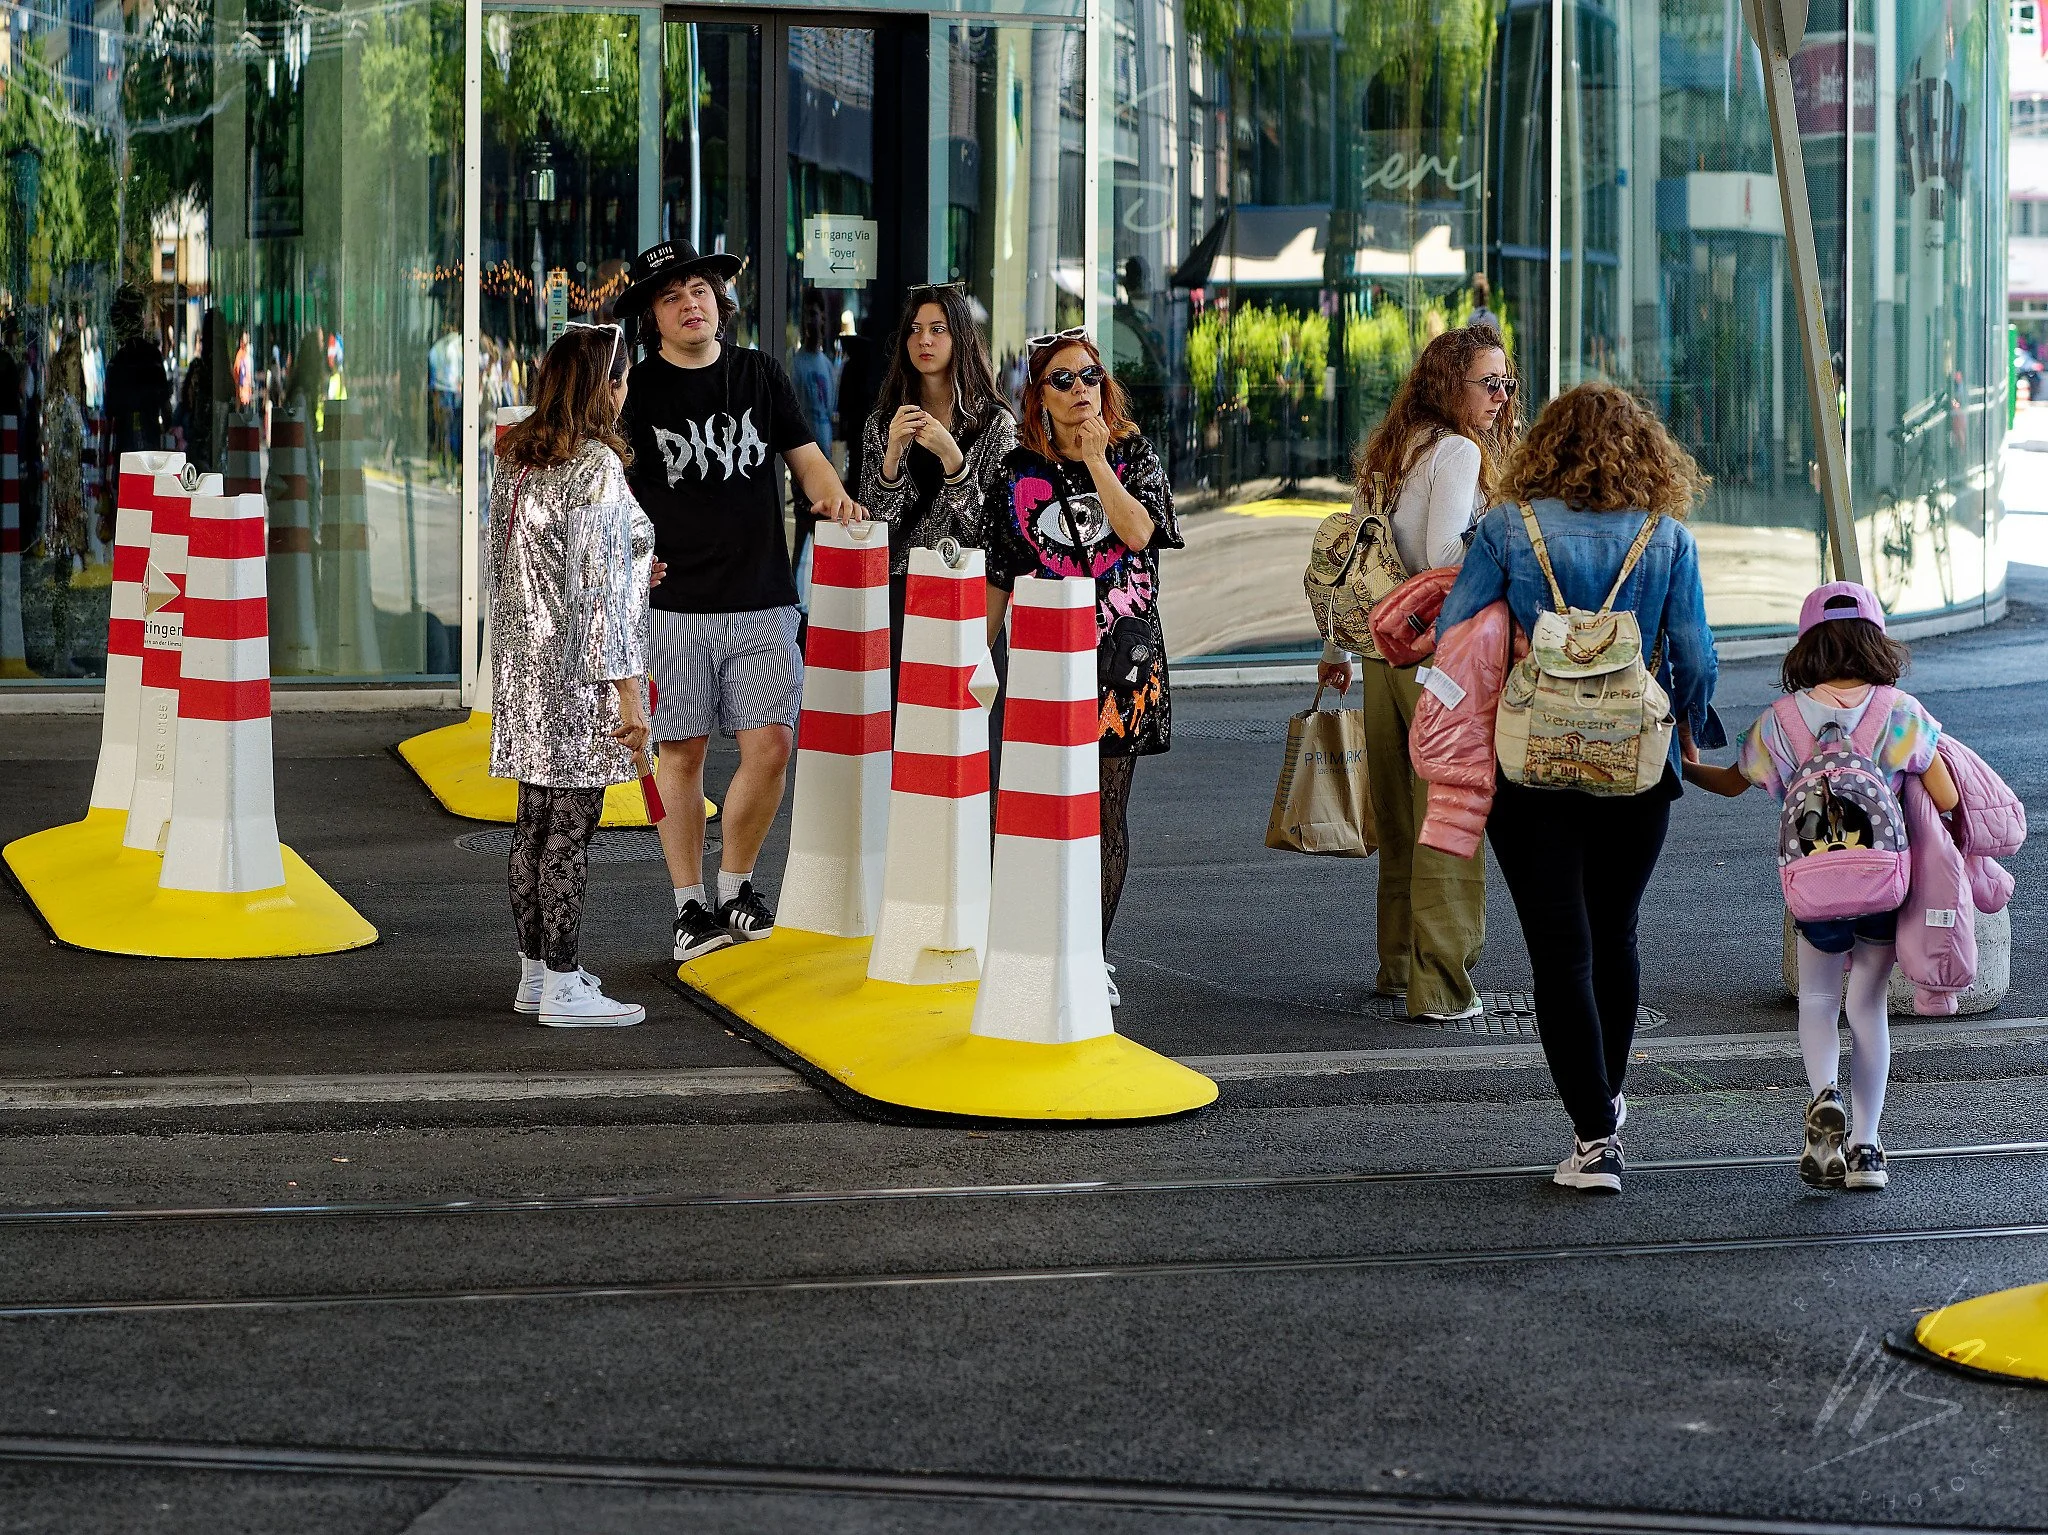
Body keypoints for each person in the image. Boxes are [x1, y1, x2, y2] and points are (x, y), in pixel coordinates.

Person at [1431, 382, 1721, 1194]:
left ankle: (1594, 1138)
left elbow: (1461, 633)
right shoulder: (1669, 539)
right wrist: (1694, 724)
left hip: (1532, 767)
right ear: (1646, 452)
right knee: (1616, 933)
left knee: (1559, 952)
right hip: (1637, 769)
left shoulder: (1503, 529)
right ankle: (1608, 1098)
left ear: (1545, 445)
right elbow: (1694, 657)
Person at [613, 239, 867, 965]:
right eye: (671, 296)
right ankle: (688, 904)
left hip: (762, 597)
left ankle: (736, 884)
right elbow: (616, 489)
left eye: (698, 289)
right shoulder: (640, 391)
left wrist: (840, 503)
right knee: (682, 754)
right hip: (675, 604)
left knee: (771, 744)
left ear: (718, 301)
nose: (690, 303)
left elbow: (810, 464)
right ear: (654, 319)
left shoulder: (758, 373)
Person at [1683, 583, 1957, 1193]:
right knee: (1867, 1006)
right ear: (1875, 640)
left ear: (1807, 642)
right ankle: (1865, 1148)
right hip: (1883, 886)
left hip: (1813, 887)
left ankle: (1823, 1092)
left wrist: (1684, 757)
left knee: (1817, 1000)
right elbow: (1948, 796)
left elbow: (1730, 784)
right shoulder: (1899, 710)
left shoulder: (1780, 721)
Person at [1317, 324, 1521, 1022]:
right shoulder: (1459, 451)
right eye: (1487, 383)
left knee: (1403, 821)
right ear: (1449, 385)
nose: (1501, 396)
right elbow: (1442, 552)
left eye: (1505, 382)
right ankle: (1442, 986)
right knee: (1450, 818)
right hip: (1439, 657)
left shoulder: (1395, 449)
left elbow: (1356, 556)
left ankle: (1398, 964)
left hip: (1381, 653)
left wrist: (1337, 651)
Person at [980, 330, 1181, 1007]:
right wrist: (977, 655)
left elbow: (1139, 534)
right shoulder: (1015, 474)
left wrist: (1099, 464)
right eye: (1061, 380)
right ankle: (1041, 946)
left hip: (1122, 664)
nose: (1079, 391)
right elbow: (1000, 579)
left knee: (1103, 810)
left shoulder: (1135, 456)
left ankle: (1091, 955)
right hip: (1042, 667)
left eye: (1089, 376)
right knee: (1037, 809)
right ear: (1037, 395)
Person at [490, 322, 657, 1027]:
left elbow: (530, 569)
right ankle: (564, 983)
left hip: (525, 674)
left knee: (533, 825)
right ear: (600, 385)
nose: (626, 389)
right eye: (619, 377)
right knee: (571, 831)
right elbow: (600, 594)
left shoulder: (518, 459)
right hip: (581, 676)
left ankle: (536, 970)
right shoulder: (596, 467)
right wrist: (631, 695)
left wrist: (636, 563)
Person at [858, 283, 1018, 668]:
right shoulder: (883, 425)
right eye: (914, 329)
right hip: (900, 592)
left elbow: (996, 530)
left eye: (937, 329)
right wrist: (892, 458)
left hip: (968, 589)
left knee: (969, 719)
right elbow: (871, 528)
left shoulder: (995, 424)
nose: (923, 339)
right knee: (903, 719)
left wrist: (954, 461)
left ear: (959, 337)